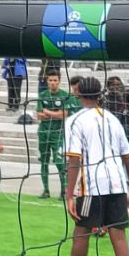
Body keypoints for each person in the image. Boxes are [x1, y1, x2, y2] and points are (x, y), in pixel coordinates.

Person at [41, 76, 129, 256]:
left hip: (93, 186)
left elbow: (74, 159)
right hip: (117, 184)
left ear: (77, 93)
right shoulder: (113, 119)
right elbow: (128, 158)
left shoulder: (75, 121)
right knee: (118, 235)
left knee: (81, 231)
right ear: (100, 95)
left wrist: (69, 193)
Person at [36, 69, 73, 199]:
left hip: (58, 134)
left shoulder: (65, 95)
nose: (53, 83)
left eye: (55, 80)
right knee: (44, 162)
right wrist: (55, 113)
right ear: (47, 81)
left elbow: (64, 115)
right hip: (43, 133)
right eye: (50, 80)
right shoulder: (42, 95)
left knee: (59, 162)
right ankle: (46, 190)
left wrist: (48, 112)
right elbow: (39, 115)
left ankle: (64, 191)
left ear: (59, 81)